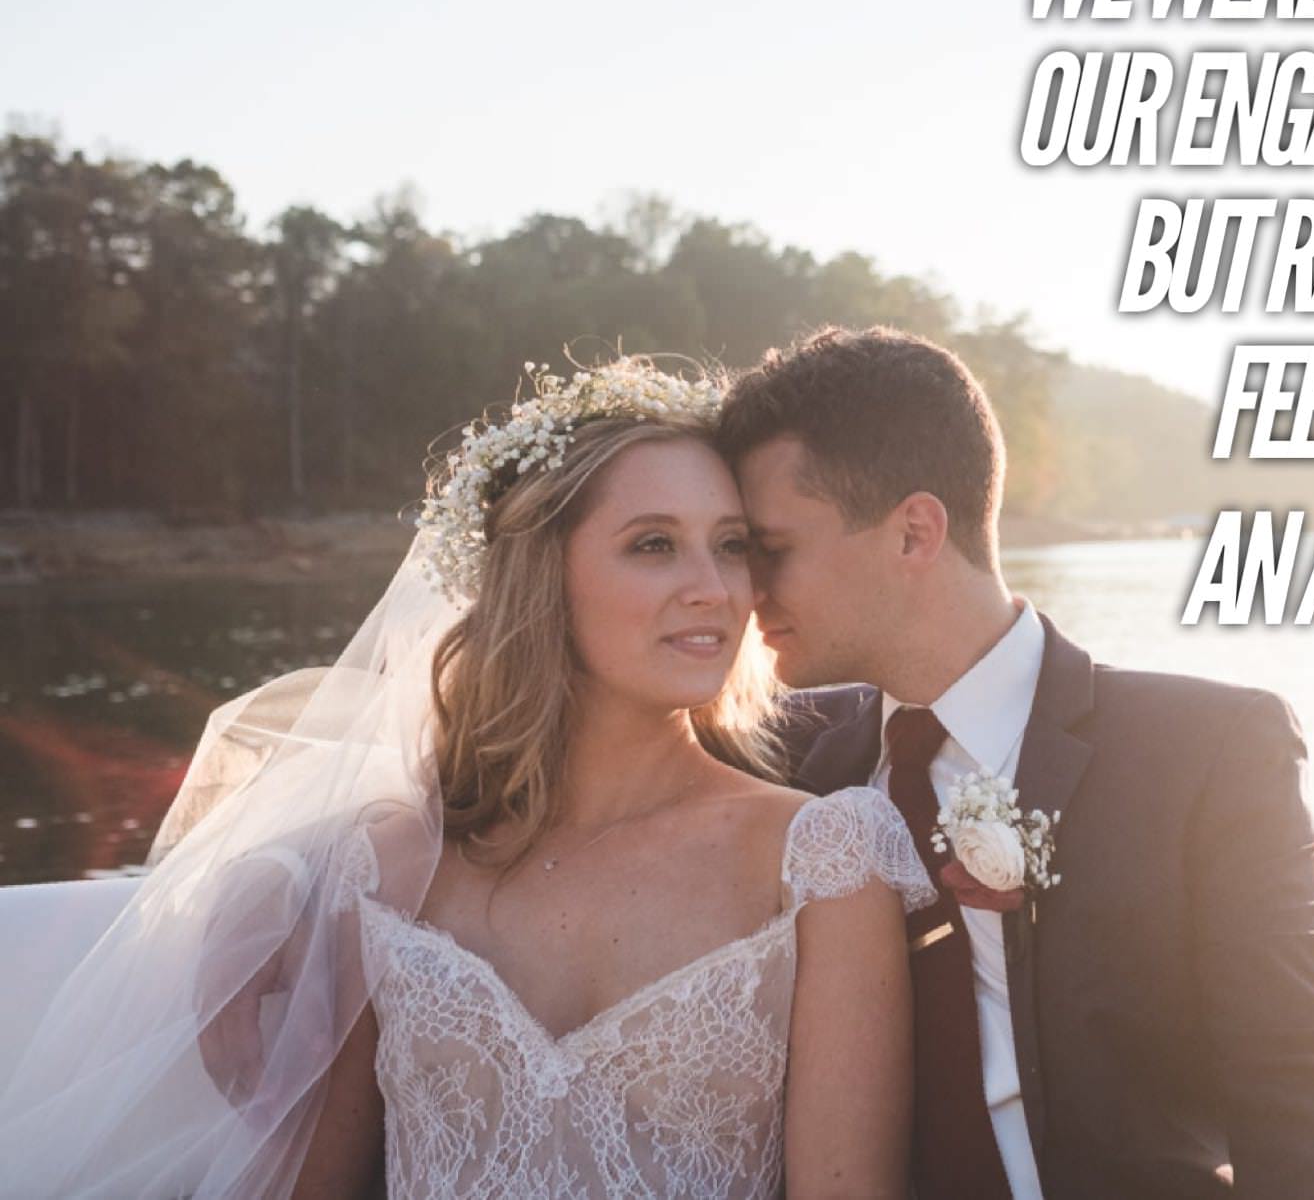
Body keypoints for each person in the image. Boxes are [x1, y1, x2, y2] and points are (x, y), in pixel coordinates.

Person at [0, 357, 932, 1199]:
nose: (716, 588)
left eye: (732, 545)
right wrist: (284, 868)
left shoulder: (821, 856)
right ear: (540, 577)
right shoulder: (392, 869)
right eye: (654, 544)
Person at [718, 328, 1314, 1200]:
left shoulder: (1208, 753)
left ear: (914, 533)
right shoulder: (771, 762)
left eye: (771, 549)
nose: (747, 591)